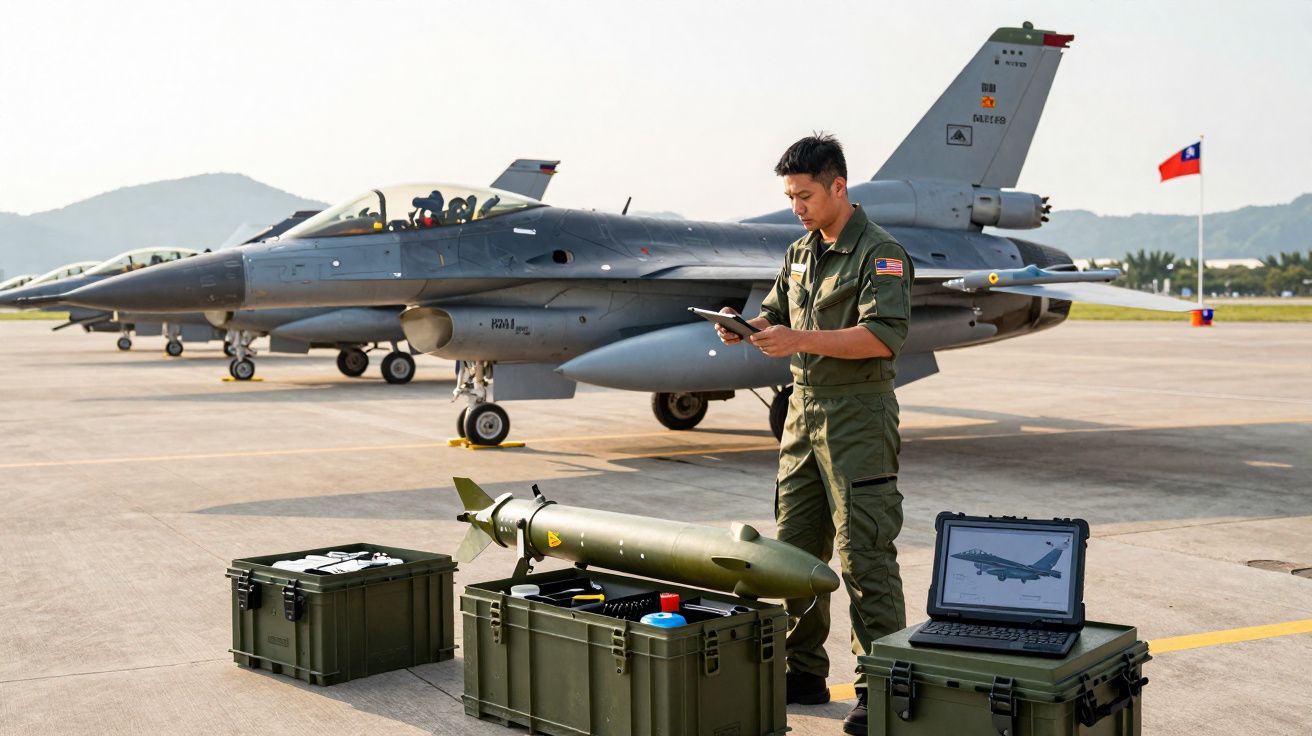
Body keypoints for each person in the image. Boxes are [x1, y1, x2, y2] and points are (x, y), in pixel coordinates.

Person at [716, 133, 912, 734]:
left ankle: (879, 686)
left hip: (858, 418)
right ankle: (803, 670)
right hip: (803, 417)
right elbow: (778, 311)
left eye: (804, 195)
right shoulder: (800, 252)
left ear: (838, 187)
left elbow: (883, 336)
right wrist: (747, 328)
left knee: (864, 555)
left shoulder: (880, 254)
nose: (796, 206)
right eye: (789, 196)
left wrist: (799, 341)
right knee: (794, 551)